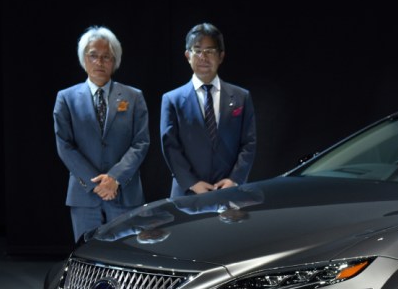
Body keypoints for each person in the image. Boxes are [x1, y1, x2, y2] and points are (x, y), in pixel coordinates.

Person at [54, 26, 150, 243]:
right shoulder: (66, 98)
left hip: (126, 193)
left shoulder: (134, 97)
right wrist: (97, 183)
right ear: (83, 59)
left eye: (106, 56)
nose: (99, 62)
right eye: (93, 56)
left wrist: (115, 178)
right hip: (84, 195)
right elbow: (64, 145)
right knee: (87, 257)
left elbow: (141, 142)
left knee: (128, 258)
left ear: (114, 61)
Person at [160, 23, 257, 197]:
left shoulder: (242, 97)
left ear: (221, 56)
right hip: (187, 193)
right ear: (187, 55)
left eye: (210, 51)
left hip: (230, 190)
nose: (203, 57)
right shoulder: (171, 100)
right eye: (197, 51)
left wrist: (234, 180)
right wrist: (192, 183)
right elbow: (170, 147)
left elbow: (248, 144)